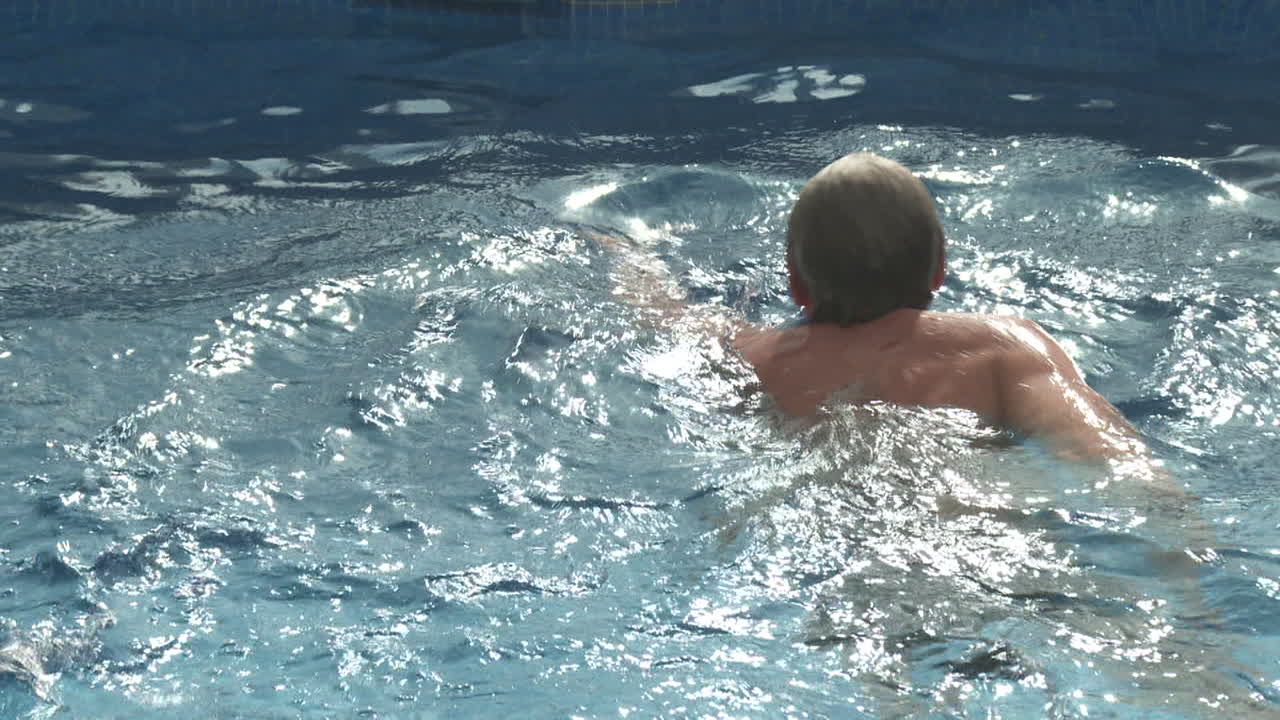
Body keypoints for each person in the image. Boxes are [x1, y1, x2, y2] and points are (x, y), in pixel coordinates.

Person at [593, 152, 1151, 466]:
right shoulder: (1003, 348)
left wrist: (621, 249)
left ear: (795, 283)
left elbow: (659, 311)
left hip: (845, 531)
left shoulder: (752, 355)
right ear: (940, 270)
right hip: (974, 521)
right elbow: (1119, 464)